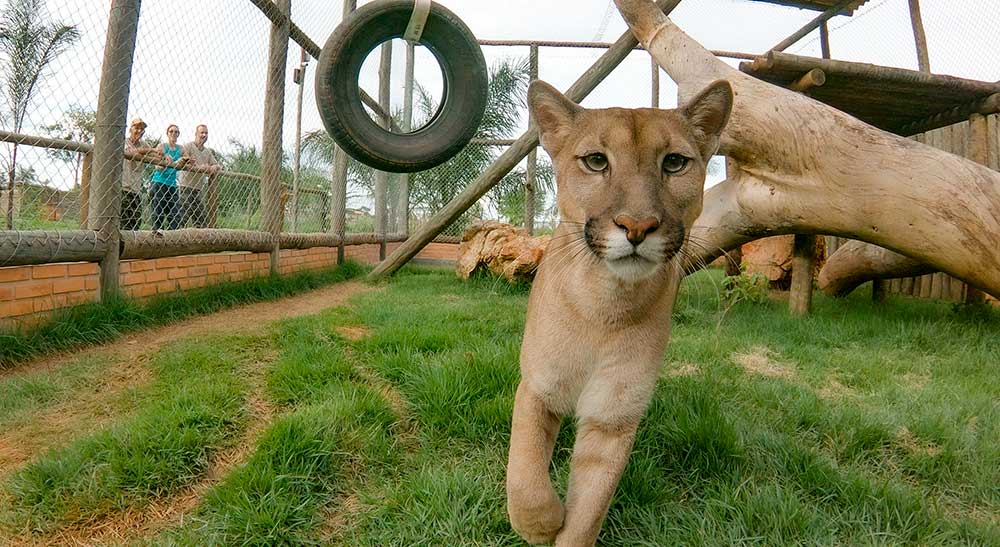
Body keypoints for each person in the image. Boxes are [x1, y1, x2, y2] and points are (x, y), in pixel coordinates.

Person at [121, 118, 162, 230]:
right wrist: (152, 150)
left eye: (142, 129)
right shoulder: (124, 142)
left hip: (136, 191)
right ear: (130, 129)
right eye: (137, 128)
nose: (139, 131)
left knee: (135, 225)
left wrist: (164, 155)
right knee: (123, 225)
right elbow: (133, 152)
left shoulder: (144, 144)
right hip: (123, 189)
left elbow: (157, 157)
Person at [179, 124, 221, 228]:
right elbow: (184, 161)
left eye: (206, 133)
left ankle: (199, 242)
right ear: (196, 134)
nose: (204, 135)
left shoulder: (207, 151)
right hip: (185, 187)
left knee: (201, 221)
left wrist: (213, 167)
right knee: (182, 219)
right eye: (201, 132)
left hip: (198, 190)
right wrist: (200, 167)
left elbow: (216, 164)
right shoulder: (188, 146)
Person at [149, 124, 189, 230]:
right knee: (158, 215)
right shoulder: (162, 146)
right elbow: (158, 167)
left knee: (175, 215)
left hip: (172, 184)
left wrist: (182, 161)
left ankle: (171, 240)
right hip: (159, 182)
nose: (173, 134)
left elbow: (187, 160)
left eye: (176, 132)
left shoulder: (180, 149)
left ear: (178, 134)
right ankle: (155, 238)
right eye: (171, 131)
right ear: (167, 133)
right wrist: (171, 162)